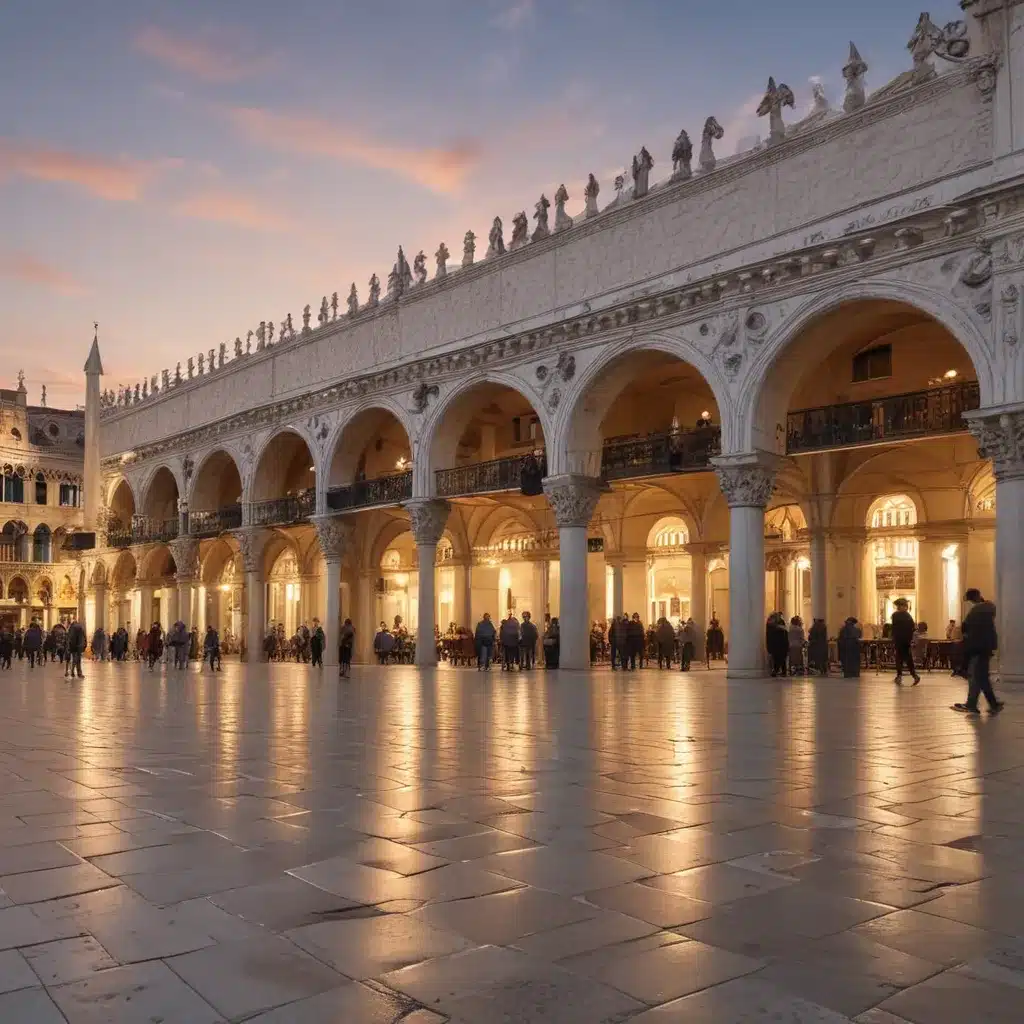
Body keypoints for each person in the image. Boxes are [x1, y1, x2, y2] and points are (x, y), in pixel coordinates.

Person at [952, 588, 1004, 714]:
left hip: (977, 647)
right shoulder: (989, 608)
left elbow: (966, 629)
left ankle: (974, 704)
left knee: (976, 676)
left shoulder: (975, 611)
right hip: (986, 646)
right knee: (980, 677)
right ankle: (989, 703)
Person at [891, 598, 920, 685]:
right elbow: (914, 627)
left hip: (899, 640)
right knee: (908, 658)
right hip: (906, 640)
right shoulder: (908, 616)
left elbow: (894, 628)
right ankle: (914, 675)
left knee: (899, 658)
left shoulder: (895, 615)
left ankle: (900, 676)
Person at [765, 613, 788, 677]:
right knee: (777, 658)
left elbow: (784, 633)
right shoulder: (772, 625)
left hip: (780, 644)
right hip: (777, 644)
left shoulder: (776, 624)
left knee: (780, 658)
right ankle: (778, 671)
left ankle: (778, 671)